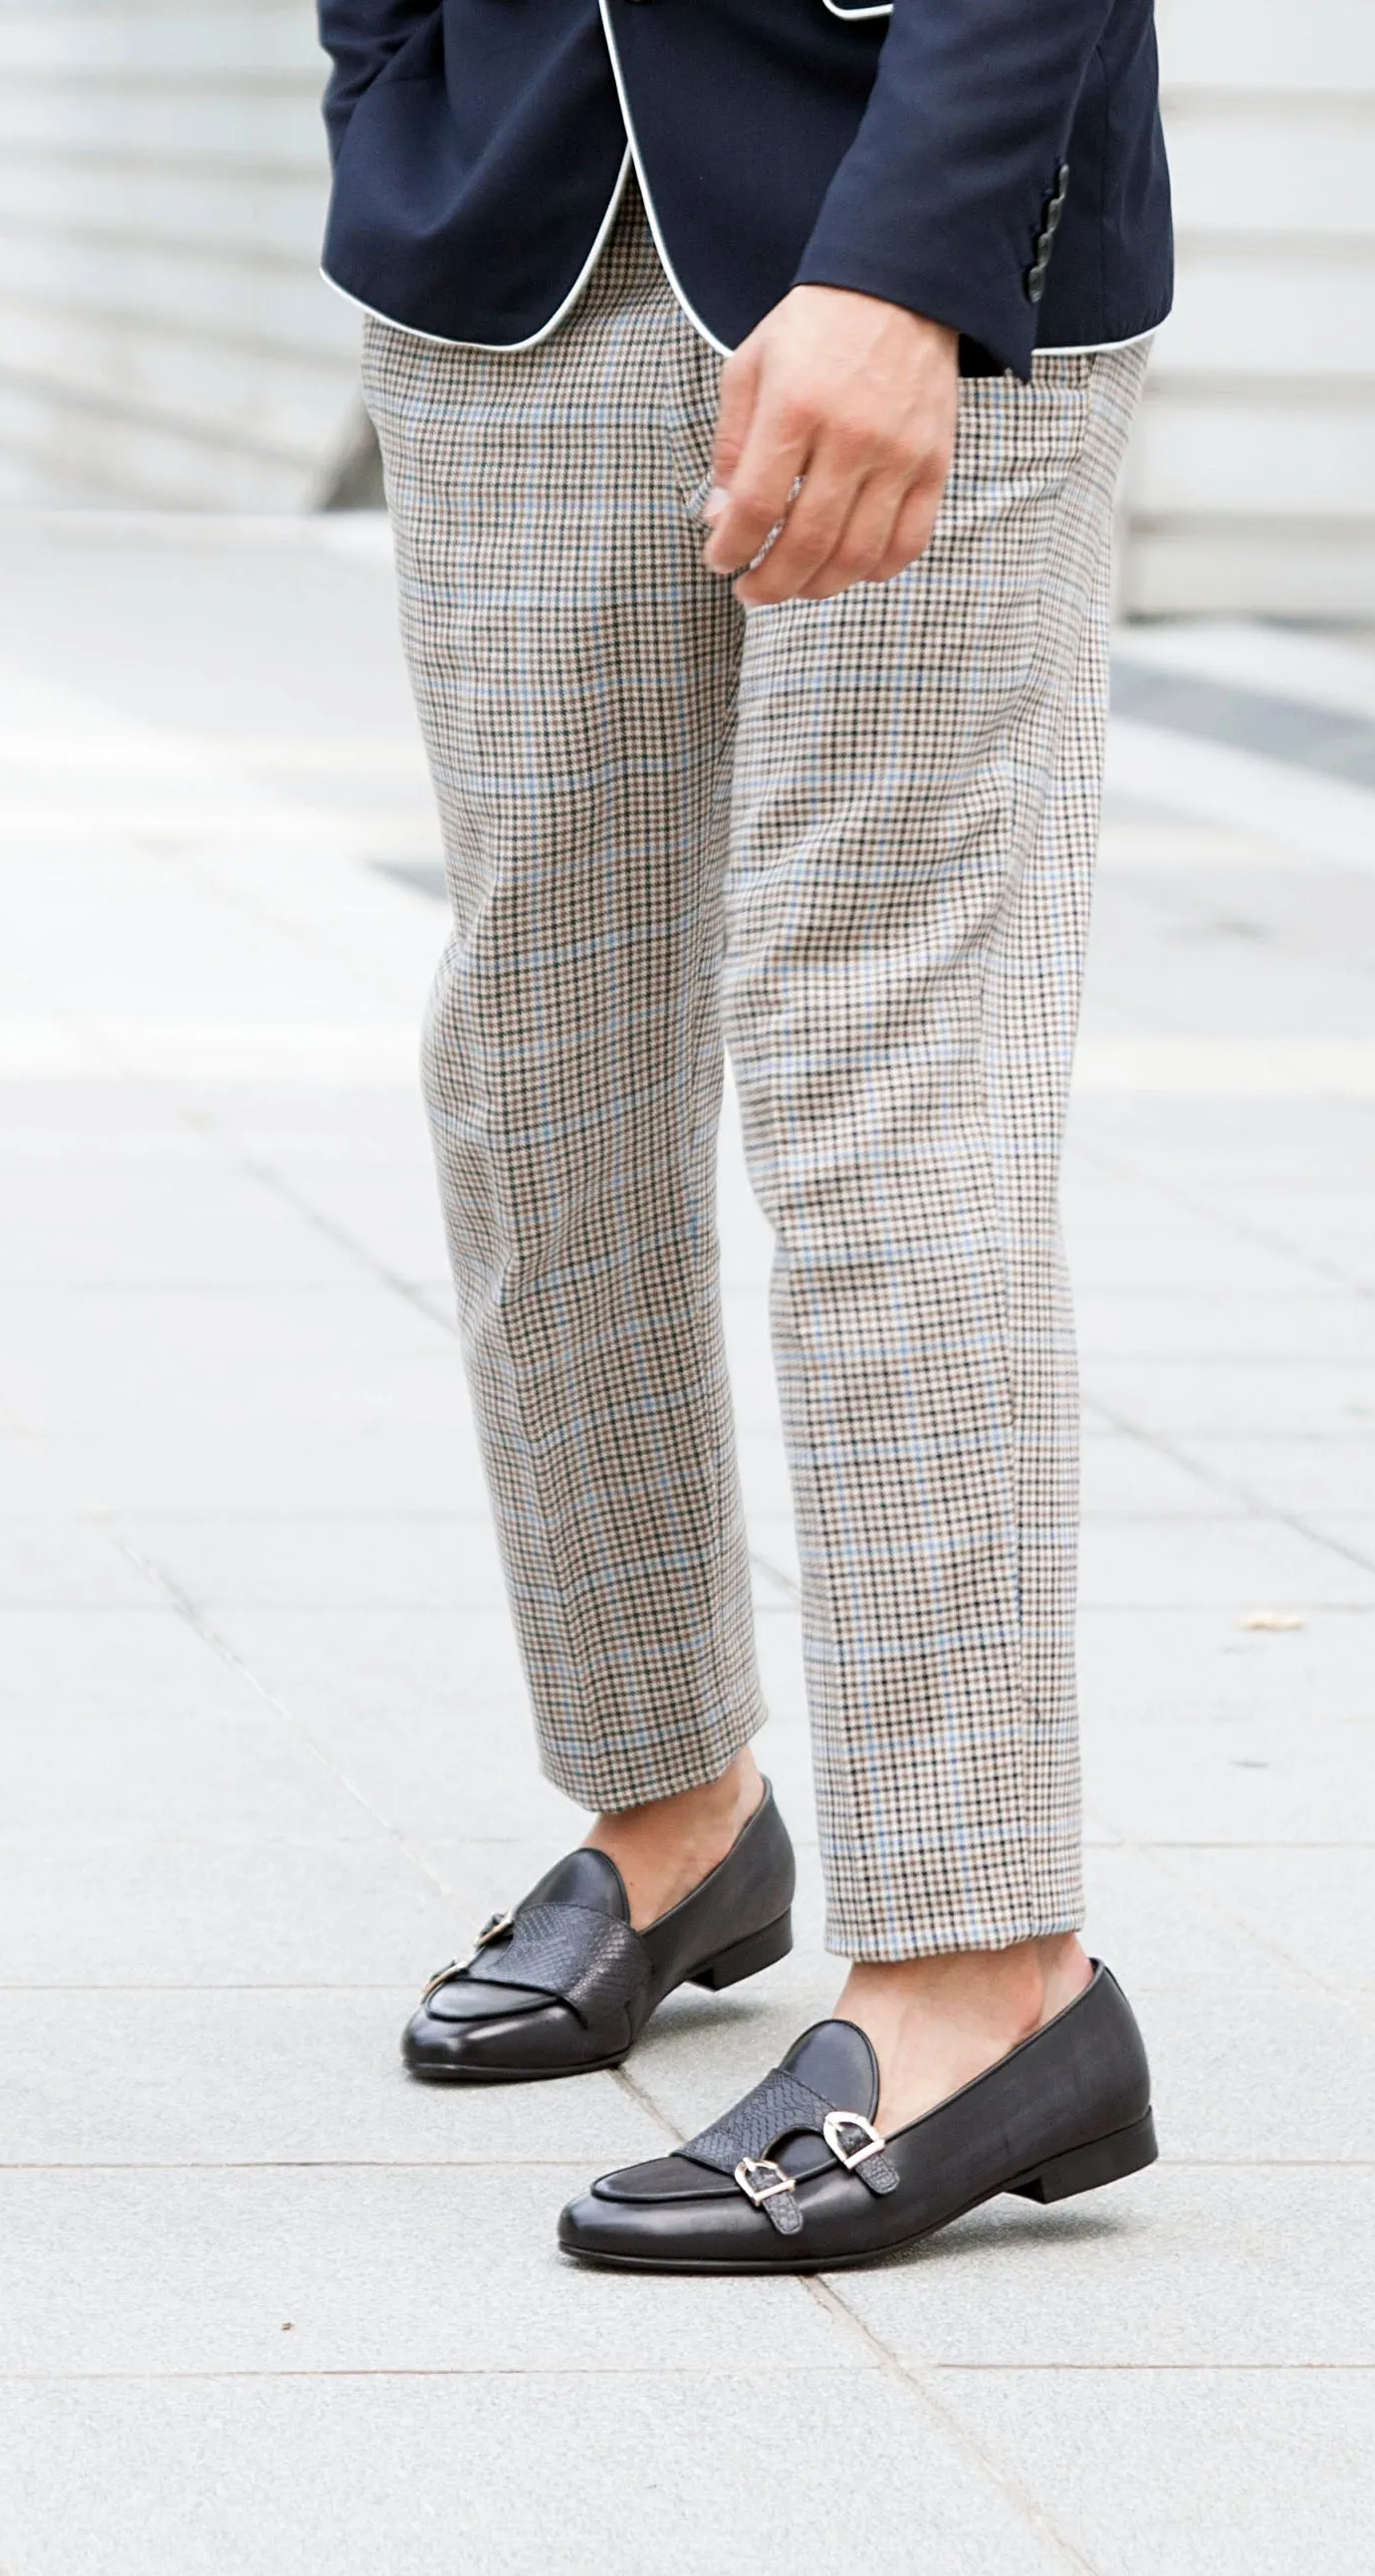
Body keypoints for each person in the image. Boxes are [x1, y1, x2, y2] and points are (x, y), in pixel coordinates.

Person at [317, 0, 1173, 2271]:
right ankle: (675, 1813)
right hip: (501, 228)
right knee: (535, 1075)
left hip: (905, 221)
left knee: (886, 1089)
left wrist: (912, 257)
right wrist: (385, 82)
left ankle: (985, 1972)